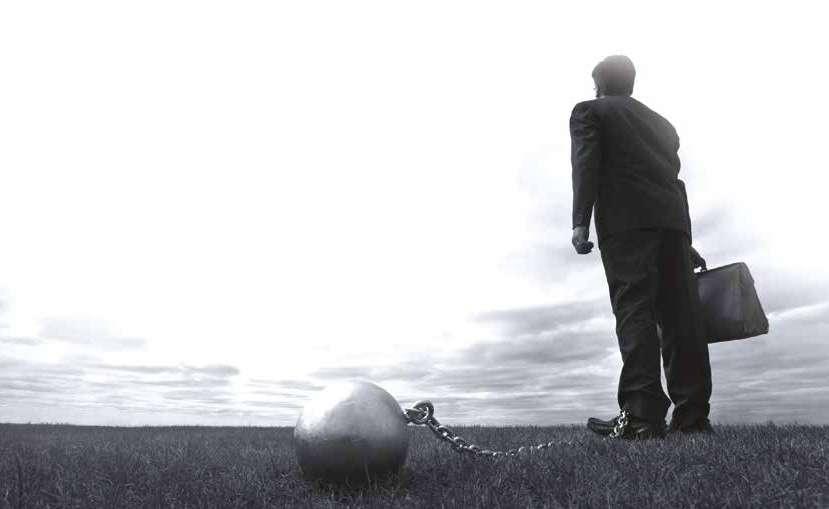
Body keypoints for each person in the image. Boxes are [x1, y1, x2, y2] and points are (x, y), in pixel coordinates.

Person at [569, 55, 713, 439]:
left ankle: (641, 417)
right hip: (673, 226)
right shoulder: (663, 125)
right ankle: (693, 418)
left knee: (634, 312)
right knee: (683, 320)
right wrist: (685, 241)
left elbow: (585, 163)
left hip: (625, 225)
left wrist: (580, 221)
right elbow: (672, 181)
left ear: (599, 85)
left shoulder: (589, 112)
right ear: (630, 84)